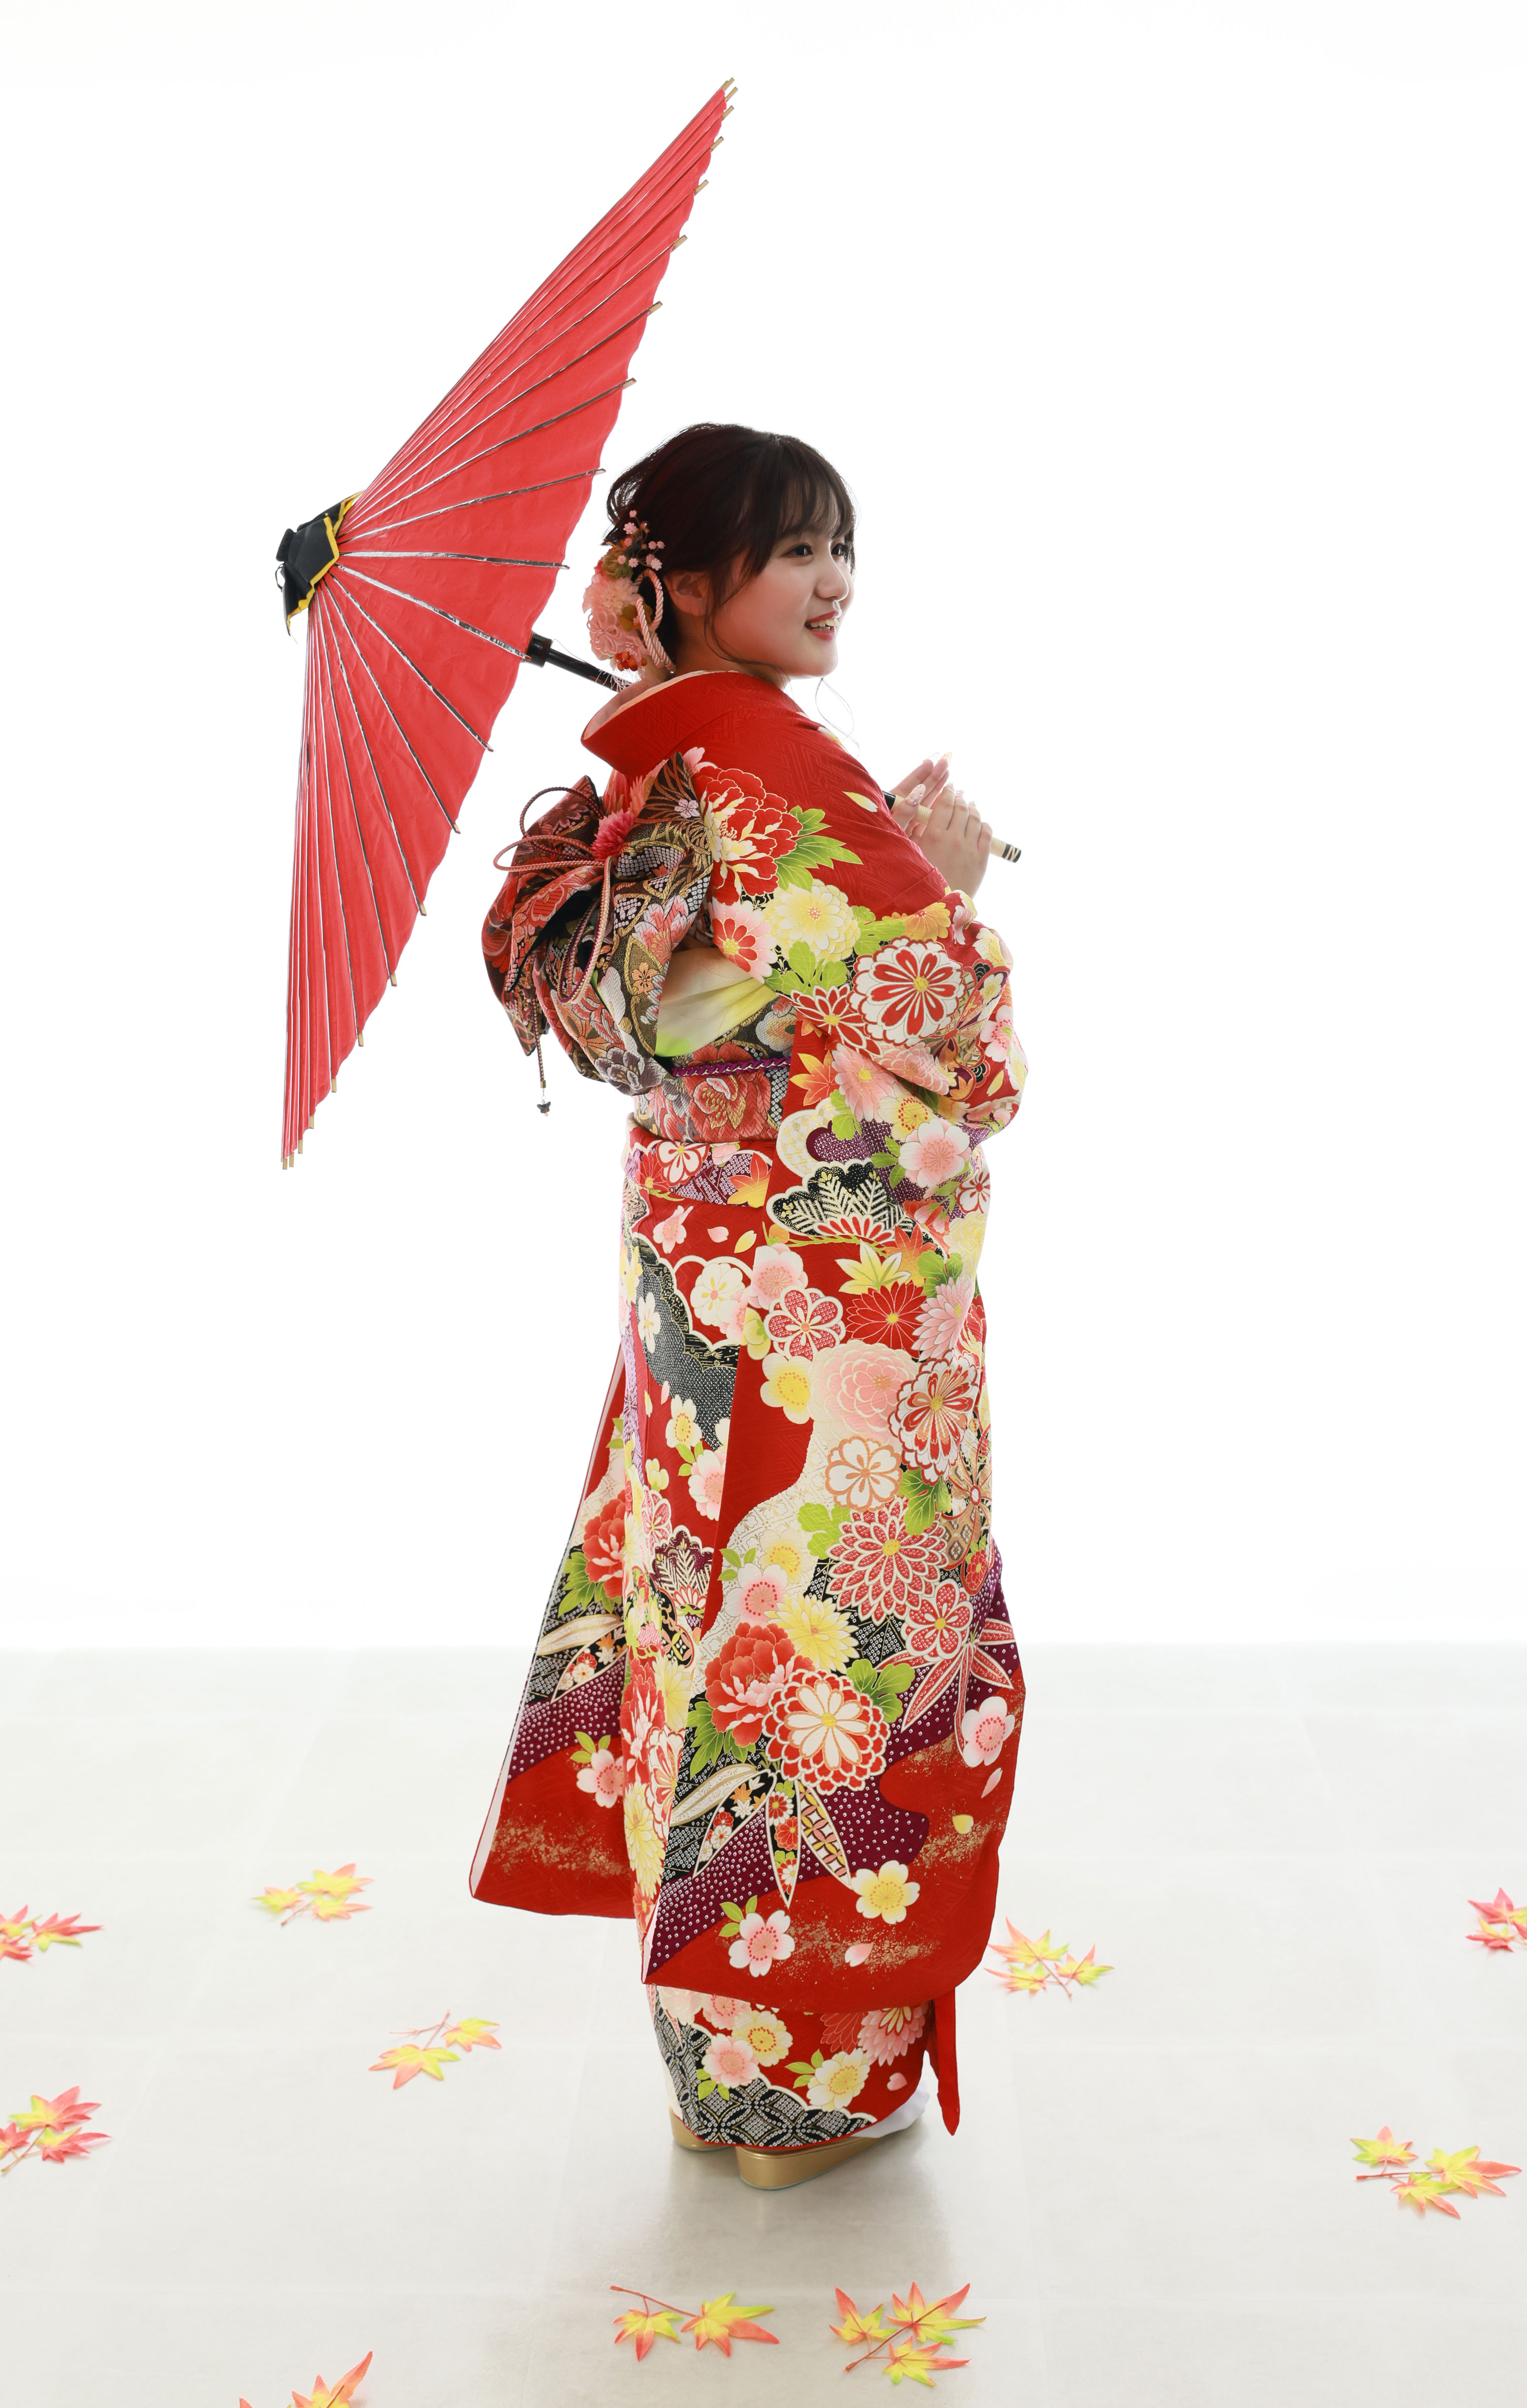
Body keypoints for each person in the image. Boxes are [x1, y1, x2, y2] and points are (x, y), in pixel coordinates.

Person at [470, 424, 1027, 2188]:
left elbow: (690, 1011)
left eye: (841, 548)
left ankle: (715, 2076)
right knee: (829, 1641)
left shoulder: (653, 774)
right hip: (824, 1306)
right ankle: (797, 2093)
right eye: (794, 552)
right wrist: (947, 884)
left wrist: (885, 878)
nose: (834, 580)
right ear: (687, 586)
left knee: (702, 1611)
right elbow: (957, 1045)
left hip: (699, 1275)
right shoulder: (769, 764)